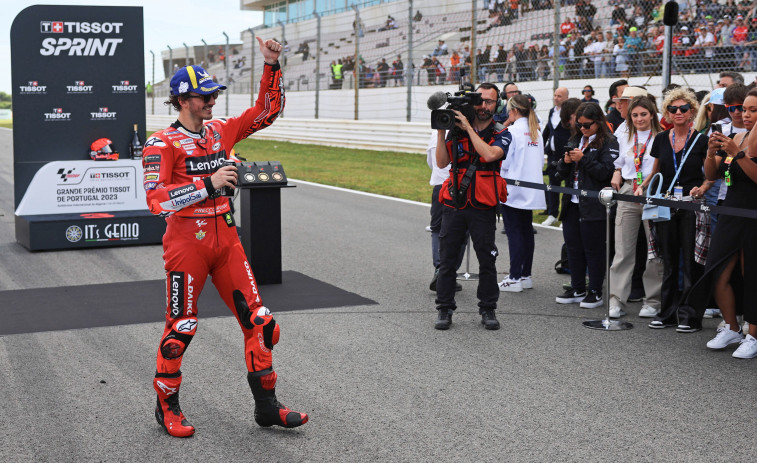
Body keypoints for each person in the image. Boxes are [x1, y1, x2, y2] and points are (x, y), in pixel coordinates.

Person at [143, 37, 308, 438]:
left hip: (228, 241)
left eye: (214, 93)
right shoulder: (160, 143)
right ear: (183, 100)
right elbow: (155, 201)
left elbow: (269, 111)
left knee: (263, 324)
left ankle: (266, 408)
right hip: (187, 245)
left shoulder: (221, 130)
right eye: (204, 96)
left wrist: (271, 64)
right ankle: (167, 407)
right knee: (180, 329)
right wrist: (208, 183)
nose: (212, 100)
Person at [676, 87, 757, 356]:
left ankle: (753, 335)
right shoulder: (737, 136)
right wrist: (711, 152)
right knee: (717, 269)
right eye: (743, 109)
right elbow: (714, 174)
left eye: (752, 110)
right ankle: (732, 327)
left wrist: (739, 153)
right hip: (730, 211)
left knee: (751, 274)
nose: (745, 114)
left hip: (753, 213)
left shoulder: (741, 143)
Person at [434, 83, 510, 331]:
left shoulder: (502, 132)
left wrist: (468, 128)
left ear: (496, 104)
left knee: (487, 260)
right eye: (481, 101)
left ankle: (488, 308)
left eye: (489, 101)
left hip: (483, 203)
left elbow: (489, 155)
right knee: (447, 260)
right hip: (454, 201)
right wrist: (441, 130)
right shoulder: (455, 131)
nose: (484, 106)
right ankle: (444, 308)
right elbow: (442, 162)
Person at [642, 87, 711, 330]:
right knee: (669, 260)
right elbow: (655, 172)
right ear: (667, 113)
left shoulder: (701, 140)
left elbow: (710, 176)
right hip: (666, 205)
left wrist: (702, 189)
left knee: (693, 262)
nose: (678, 112)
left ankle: (691, 316)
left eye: (683, 108)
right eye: (673, 109)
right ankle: (667, 312)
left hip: (691, 206)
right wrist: (643, 186)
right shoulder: (661, 138)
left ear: (692, 112)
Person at [555, 103, 619, 308]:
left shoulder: (609, 141)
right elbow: (561, 173)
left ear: (598, 122)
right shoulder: (575, 139)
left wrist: (583, 159)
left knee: (594, 249)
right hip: (572, 202)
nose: (583, 129)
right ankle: (577, 287)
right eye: (579, 125)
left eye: (587, 125)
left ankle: (595, 291)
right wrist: (565, 162)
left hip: (594, 204)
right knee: (573, 247)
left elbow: (606, 173)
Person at [608, 95, 665, 319]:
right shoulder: (624, 135)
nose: (639, 119)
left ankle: (652, 301)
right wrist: (617, 172)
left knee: (654, 249)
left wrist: (646, 184)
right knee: (623, 249)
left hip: (653, 191)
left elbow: (660, 166)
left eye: (643, 114)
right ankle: (616, 300)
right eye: (635, 115)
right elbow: (620, 163)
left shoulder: (661, 136)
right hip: (630, 191)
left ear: (652, 114)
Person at [498, 94, 546, 292]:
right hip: (532, 188)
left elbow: (505, 162)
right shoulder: (536, 131)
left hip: (513, 189)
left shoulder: (512, 131)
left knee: (514, 232)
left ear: (514, 110)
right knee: (526, 231)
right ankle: (525, 275)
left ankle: (515, 277)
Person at [542, 88, 570, 225]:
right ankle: (552, 213)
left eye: (559, 96)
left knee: (567, 185)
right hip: (552, 154)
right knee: (553, 184)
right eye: (555, 95)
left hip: (565, 154)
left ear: (566, 98)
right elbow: (548, 130)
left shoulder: (570, 112)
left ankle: (565, 216)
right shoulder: (552, 111)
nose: (556, 98)